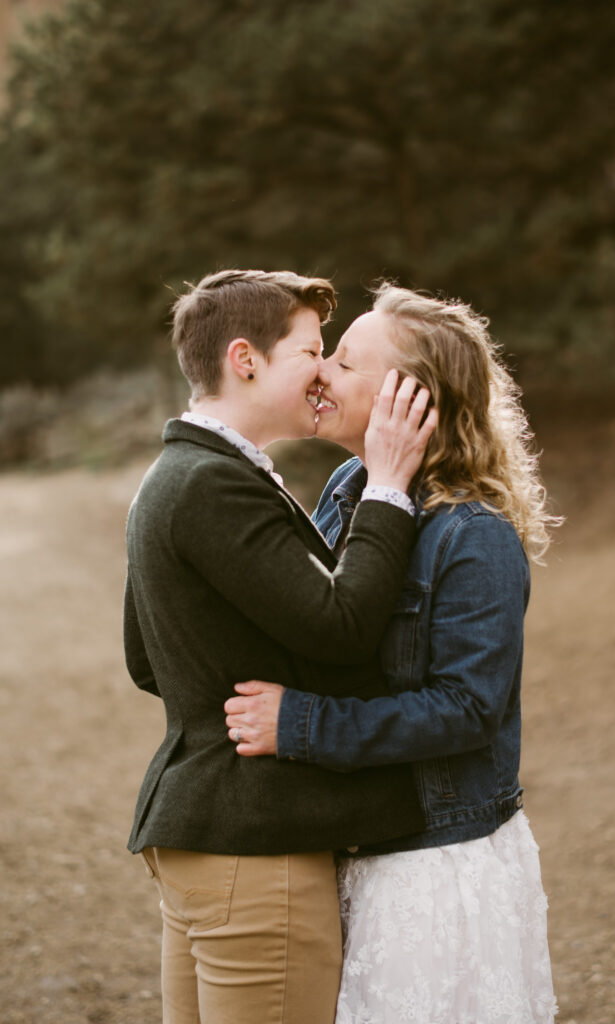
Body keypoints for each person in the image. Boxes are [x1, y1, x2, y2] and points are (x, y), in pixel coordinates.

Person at [225, 283, 559, 1023]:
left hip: (437, 863)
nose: (321, 373)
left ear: (410, 398)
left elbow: (467, 709)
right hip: (360, 843)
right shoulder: (351, 489)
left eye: (344, 362)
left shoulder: (474, 535)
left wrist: (301, 725)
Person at [124, 269, 438, 1024]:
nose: (322, 371)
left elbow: (146, 658)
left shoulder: (171, 475)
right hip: (254, 846)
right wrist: (390, 485)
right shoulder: (213, 484)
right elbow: (341, 624)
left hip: (199, 842)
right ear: (245, 359)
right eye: (310, 350)